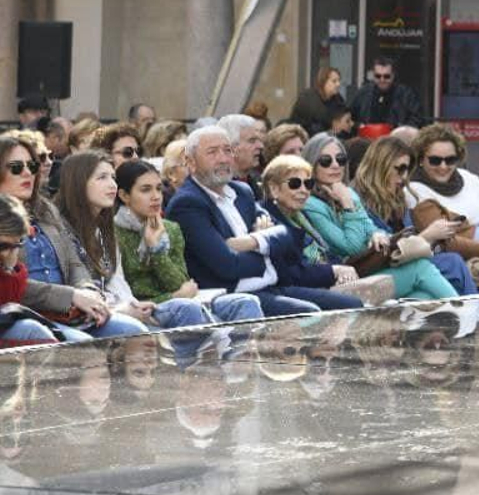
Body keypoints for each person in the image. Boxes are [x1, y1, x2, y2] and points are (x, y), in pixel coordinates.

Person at [64, 154, 265, 332]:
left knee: (245, 302)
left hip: (171, 302)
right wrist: (172, 296)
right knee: (189, 310)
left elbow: (181, 283)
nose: (156, 197)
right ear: (125, 196)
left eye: (159, 189)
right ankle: (207, 367)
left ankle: (245, 368)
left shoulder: (170, 229)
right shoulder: (117, 231)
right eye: (145, 190)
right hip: (150, 305)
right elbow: (136, 290)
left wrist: (156, 249)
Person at [163, 126, 323, 317]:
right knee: (310, 315)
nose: (223, 158)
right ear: (191, 162)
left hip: (273, 285)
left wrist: (252, 241)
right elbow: (228, 266)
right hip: (235, 297)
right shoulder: (187, 203)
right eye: (212, 152)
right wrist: (266, 249)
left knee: (350, 304)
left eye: (227, 150)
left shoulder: (242, 191)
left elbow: (287, 236)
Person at [0, 144, 146, 340]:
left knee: (134, 330)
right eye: (17, 167)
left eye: (33, 166)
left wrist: (87, 290)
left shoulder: (46, 209)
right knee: (83, 346)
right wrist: (72, 296)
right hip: (27, 313)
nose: (27, 173)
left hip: (70, 313)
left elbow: (74, 262)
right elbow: (10, 283)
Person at [299, 133, 458, 301]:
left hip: (367, 271)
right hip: (343, 279)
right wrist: (348, 206)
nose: (335, 165)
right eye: (325, 161)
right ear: (311, 164)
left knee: (424, 296)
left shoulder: (348, 193)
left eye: (340, 159)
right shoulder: (309, 203)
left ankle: (463, 318)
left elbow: (372, 228)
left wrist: (377, 234)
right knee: (421, 267)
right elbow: (351, 246)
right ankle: (468, 316)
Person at [352, 134, 477, 295]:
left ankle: (469, 316)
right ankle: (476, 315)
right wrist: (428, 235)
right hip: (375, 272)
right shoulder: (356, 199)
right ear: (381, 165)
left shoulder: (398, 199)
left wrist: (433, 239)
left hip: (405, 268)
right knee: (452, 263)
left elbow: (409, 240)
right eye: (399, 169)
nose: (404, 177)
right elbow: (387, 252)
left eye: (407, 170)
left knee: (425, 294)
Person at [406, 124, 479, 290]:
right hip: (462, 268)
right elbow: (448, 243)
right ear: (420, 160)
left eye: (450, 160)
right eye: (435, 160)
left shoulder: (471, 180)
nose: (443, 166)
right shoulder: (414, 191)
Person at [255, 155, 371, 310]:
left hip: (315, 281)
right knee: (353, 304)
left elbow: (327, 255)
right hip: (284, 289)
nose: (303, 190)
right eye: (295, 184)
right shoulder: (266, 219)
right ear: (274, 189)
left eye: (308, 184)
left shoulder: (300, 216)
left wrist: (340, 271)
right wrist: (333, 271)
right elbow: (289, 273)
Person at [0, 194, 61, 348]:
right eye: (3, 246)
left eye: (17, 244)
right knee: (33, 331)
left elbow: (9, 303)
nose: (8, 253)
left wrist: (8, 268)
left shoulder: (10, 263)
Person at [348, 57, 425, 128]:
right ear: (373, 76)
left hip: (395, 140)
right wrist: (359, 126)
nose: (382, 80)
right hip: (367, 139)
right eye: (378, 76)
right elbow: (350, 118)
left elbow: (417, 119)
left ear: (393, 76)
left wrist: (399, 129)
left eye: (386, 76)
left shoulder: (406, 94)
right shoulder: (363, 93)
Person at [290, 68, 347, 134]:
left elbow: (344, 120)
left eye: (339, 80)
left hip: (333, 138)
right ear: (323, 82)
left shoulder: (338, 99)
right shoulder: (307, 98)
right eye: (334, 81)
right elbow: (299, 126)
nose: (338, 84)